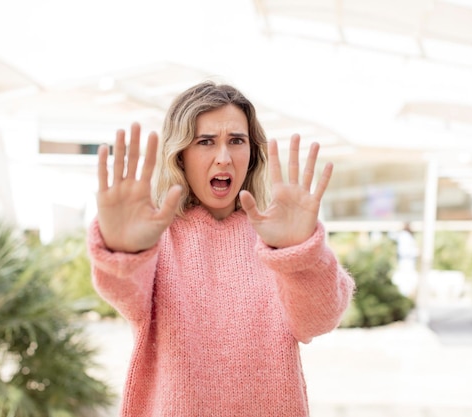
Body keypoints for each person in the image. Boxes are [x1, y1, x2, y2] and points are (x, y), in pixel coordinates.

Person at [86, 81, 355, 417]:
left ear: (252, 152)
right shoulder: (156, 234)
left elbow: (316, 321)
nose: (224, 157)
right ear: (180, 154)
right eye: (206, 142)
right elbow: (124, 293)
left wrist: (299, 253)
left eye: (236, 141)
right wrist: (122, 252)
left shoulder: (277, 234)